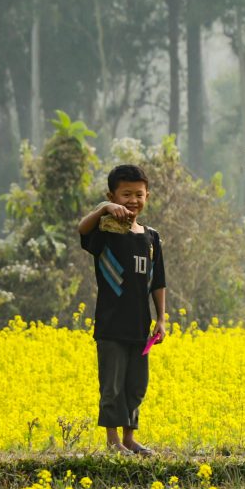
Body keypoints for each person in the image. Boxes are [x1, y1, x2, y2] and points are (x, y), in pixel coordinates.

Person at [77, 164, 166, 456]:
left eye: (138, 194)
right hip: (111, 325)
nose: (132, 200)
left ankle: (129, 439)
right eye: (125, 194)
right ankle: (113, 441)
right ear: (112, 195)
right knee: (112, 385)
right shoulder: (106, 230)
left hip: (141, 327)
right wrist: (103, 209)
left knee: (136, 384)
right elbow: (82, 229)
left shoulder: (151, 237)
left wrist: (161, 319)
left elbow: (158, 282)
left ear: (147, 196)